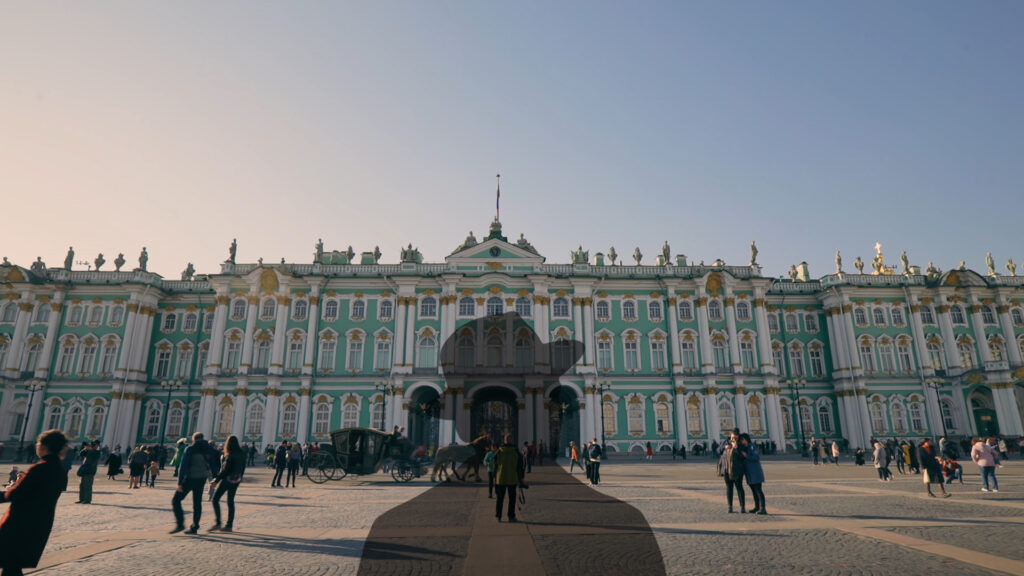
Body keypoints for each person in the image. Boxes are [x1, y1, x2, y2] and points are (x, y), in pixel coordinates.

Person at [0, 430, 70, 576]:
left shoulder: (39, 468)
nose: (37, 446)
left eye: (38, 443)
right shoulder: (59, 469)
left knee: (10, 565)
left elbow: (15, 494)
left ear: (44, 446)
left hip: (19, 524)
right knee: (12, 567)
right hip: (40, 523)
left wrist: (17, 484)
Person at [170, 432, 220, 535]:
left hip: (190, 479)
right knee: (197, 503)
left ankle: (180, 524)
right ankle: (195, 527)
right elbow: (213, 465)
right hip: (201, 479)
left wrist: (180, 482)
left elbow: (183, 466)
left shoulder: (191, 449)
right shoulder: (209, 449)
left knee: (176, 500)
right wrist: (215, 479)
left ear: (194, 439)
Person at [209, 435, 246, 532]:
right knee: (230, 501)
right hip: (236, 479)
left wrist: (216, 480)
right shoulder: (242, 453)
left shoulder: (230, 454)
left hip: (227, 480)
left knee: (215, 499)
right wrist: (239, 478)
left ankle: (218, 523)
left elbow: (225, 470)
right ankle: (229, 525)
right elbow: (243, 468)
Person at [494, 434, 525, 522]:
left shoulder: (499, 451)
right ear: (512, 441)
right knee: (512, 498)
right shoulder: (516, 451)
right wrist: (521, 477)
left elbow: (495, 465)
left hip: (501, 478)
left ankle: (498, 516)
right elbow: (520, 466)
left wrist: (494, 476)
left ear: (504, 441)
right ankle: (511, 516)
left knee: (500, 498)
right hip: (512, 478)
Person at [718, 432, 746, 513]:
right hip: (727, 470)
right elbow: (718, 450)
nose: (734, 439)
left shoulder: (741, 445)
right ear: (730, 436)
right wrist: (724, 447)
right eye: (733, 437)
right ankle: (730, 507)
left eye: (736, 438)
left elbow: (742, 457)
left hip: (738, 470)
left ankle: (742, 507)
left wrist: (736, 448)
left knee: (739, 488)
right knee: (729, 488)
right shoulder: (726, 442)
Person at [739, 433, 766, 515]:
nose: (741, 441)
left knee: (758, 490)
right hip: (749, 473)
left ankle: (763, 508)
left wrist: (746, 456)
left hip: (755, 472)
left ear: (745, 439)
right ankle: (757, 507)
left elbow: (756, 457)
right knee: (754, 491)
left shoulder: (752, 446)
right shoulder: (745, 447)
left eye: (742, 440)